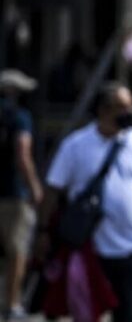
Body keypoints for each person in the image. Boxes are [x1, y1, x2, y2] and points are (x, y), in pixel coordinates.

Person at [37, 82, 132, 322]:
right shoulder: (76, 145)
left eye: (131, 105)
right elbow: (52, 190)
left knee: (129, 312)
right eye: (122, 106)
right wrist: (42, 231)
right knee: (88, 312)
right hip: (91, 247)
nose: (130, 111)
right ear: (103, 110)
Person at [0, 69, 43, 320]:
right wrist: (35, 186)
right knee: (17, 250)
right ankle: (12, 303)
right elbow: (23, 153)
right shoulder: (20, 117)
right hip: (14, 193)